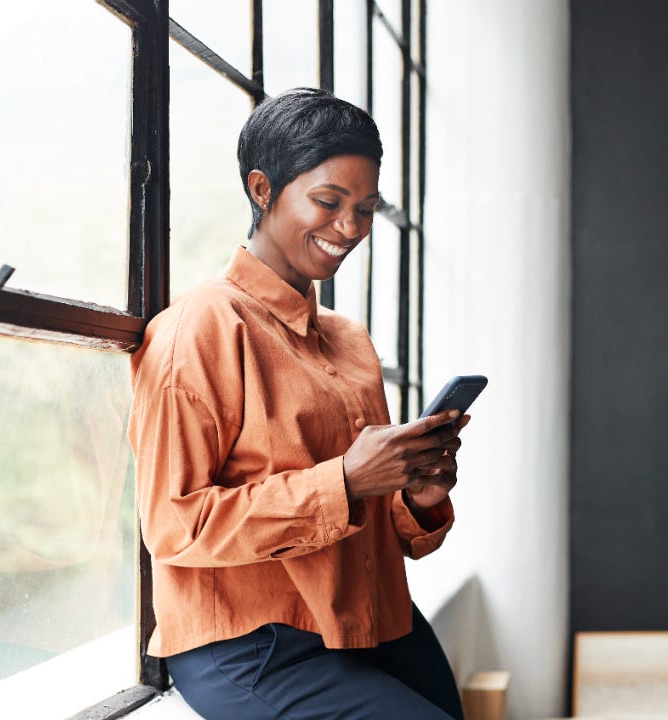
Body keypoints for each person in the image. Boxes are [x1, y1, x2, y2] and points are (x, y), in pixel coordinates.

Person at [128, 88, 468, 720]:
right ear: (262, 189)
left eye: (365, 209)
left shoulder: (347, 339)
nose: (351, 228)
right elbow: (174, 526)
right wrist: (344, 480)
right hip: (253, 643)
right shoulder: (200, 328)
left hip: (367, 617)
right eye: (328, 202)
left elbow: (376, 522)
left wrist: (417, 494)